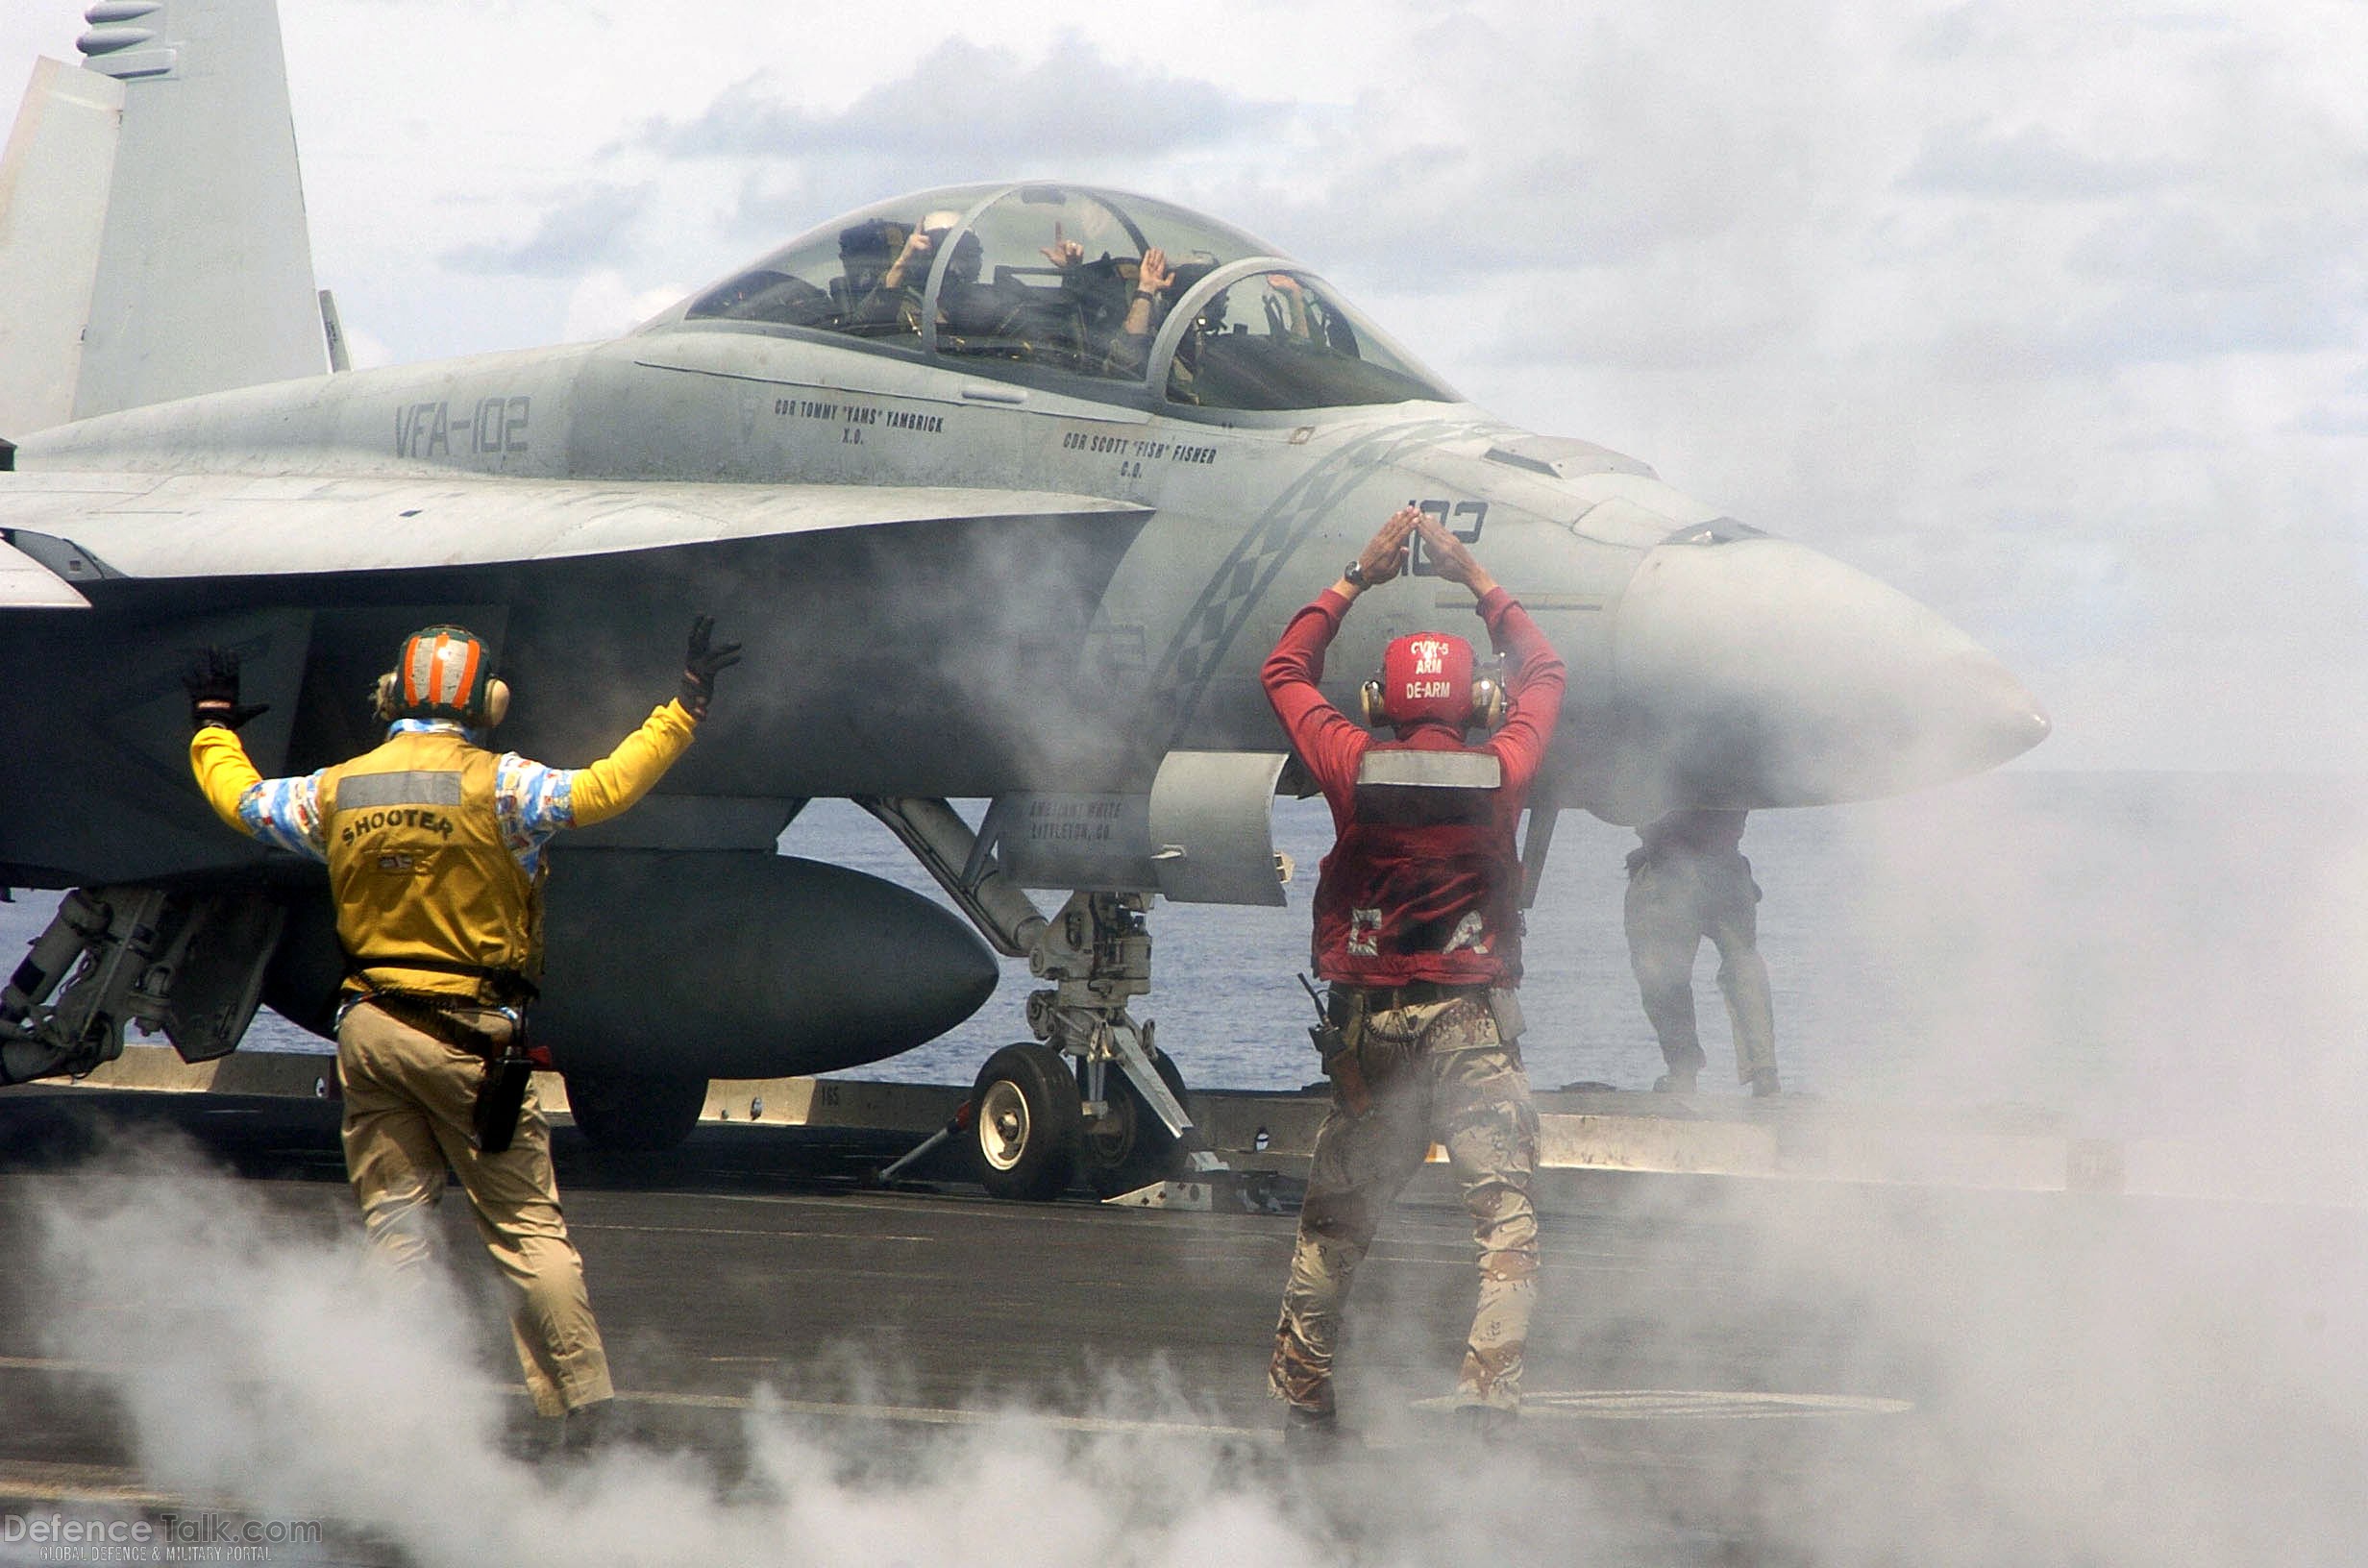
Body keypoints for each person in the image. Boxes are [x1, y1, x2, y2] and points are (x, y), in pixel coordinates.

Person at [183, 617, 742, 1451]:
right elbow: (602, 790)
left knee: (397, 1225)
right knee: (526, 1230)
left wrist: (213, 728)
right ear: (487, 703)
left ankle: (395, 1407)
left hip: (368, 1035)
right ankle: (587, 1411)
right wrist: (684, 710)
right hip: (470, 1043)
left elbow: (243, 802)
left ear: (393, 698)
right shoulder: (503, 789)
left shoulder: (340, 789)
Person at [1261, 505, 1566, 1447]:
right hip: (1471, 1031)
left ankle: (1301, 1396)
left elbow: (1283, 670)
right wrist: (1474, 575)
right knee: (1504, 1230)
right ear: (1474, 704)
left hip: (1371, 1036)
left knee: (1333, 1233)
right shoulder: (1500, 767)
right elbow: (1546, 670)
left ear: (1378, 703)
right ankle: (1485, 1398)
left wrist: (1356, 575)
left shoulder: (1351, 764)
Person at [1623, 809, 1780, 1096]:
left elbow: (1626, 802)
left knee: (1662, 973)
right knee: (1744, 963)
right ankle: (1764, 1070)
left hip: (1667, 871)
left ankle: (1683, 1071)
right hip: (1727, 868)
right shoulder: (1731, 762)